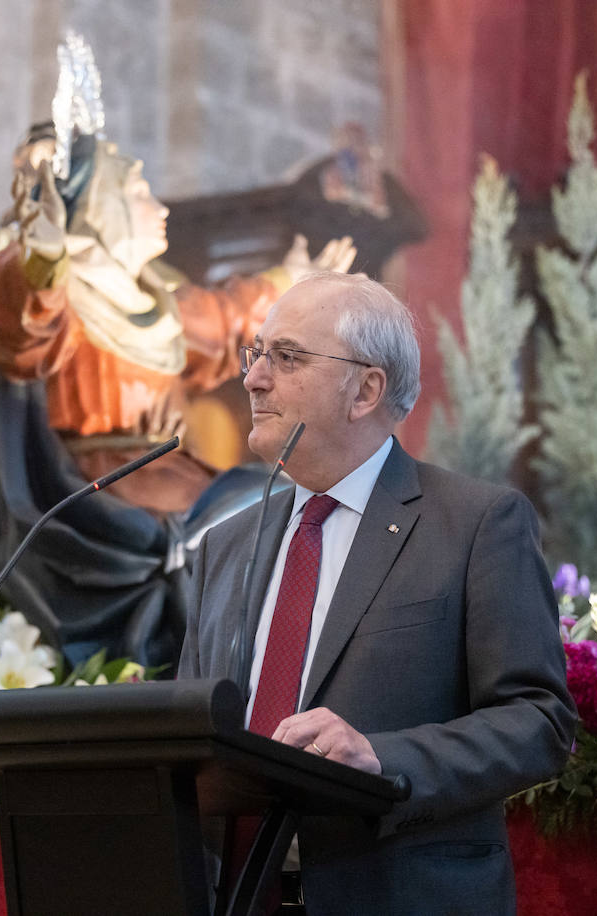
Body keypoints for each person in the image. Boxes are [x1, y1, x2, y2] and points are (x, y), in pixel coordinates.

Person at [179, 271, 576, 915]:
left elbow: (538, 721)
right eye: (257, 355)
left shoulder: (476, 524)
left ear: (365, 390)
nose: (252, 379)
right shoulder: (224, 547)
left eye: (286, 357)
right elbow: (192, 739)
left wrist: (381, 757)